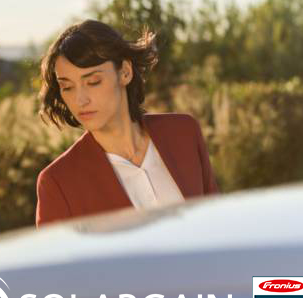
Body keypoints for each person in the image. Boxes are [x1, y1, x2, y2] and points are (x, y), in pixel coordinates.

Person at [35, 20, 219, 228]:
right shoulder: (58, 182)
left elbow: (215, 226)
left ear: (125, 72)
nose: (80, 99)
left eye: (93, 81)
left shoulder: (183, 133)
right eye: (67, 87)